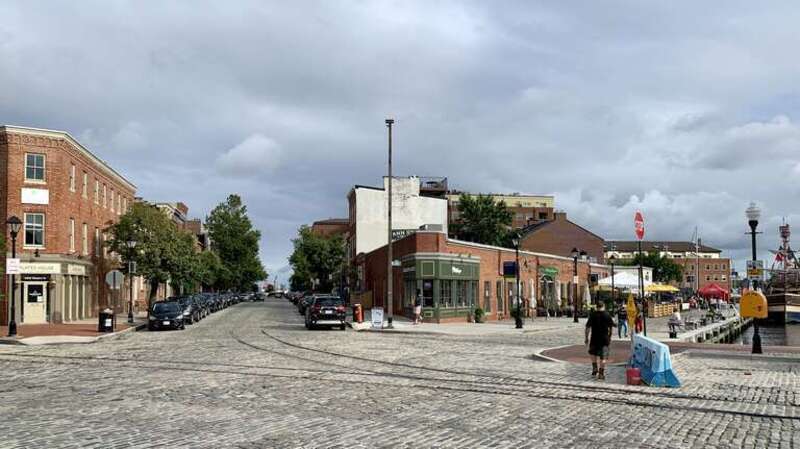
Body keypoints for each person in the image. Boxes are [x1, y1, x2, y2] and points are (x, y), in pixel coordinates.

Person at [585, 302, 614, 380]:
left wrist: (586, 338)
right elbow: (611, 327)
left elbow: (587, 327)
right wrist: (610, 337)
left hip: (594, 338)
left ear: (596, 307)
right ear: (603, 306)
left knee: (592, 352)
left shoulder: (592, 315)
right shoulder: (607, 315)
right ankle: (601, 373)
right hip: (604, 339)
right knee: (603, 356)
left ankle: (594, 367)